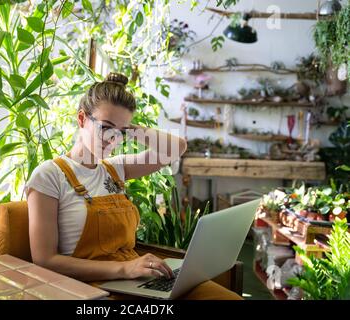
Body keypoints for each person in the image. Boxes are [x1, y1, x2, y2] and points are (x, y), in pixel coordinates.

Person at [25, 72, 242, 300]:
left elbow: (176, 148)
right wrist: (125, 269)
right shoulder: (50, 174)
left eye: (120, 133)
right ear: (81, 119)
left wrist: (130, 128)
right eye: (106, 128)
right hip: (93, 288)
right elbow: (45, 260)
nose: (113, 140)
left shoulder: (114, 168)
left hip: (135, 278)